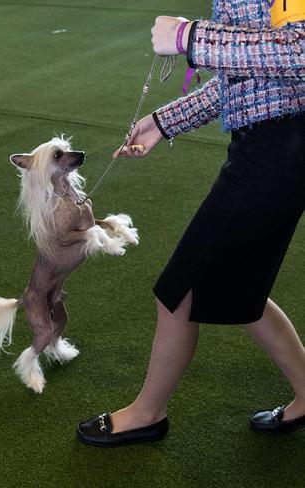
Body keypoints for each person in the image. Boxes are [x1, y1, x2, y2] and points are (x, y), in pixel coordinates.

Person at [77, 2, 305, 446]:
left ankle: (147, 412)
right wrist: (166, 121)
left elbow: (298, 52)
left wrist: (189, 37)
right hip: (272, 147)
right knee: (239, 291)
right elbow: (251, 74)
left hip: (278, 152)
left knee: (181, 289)